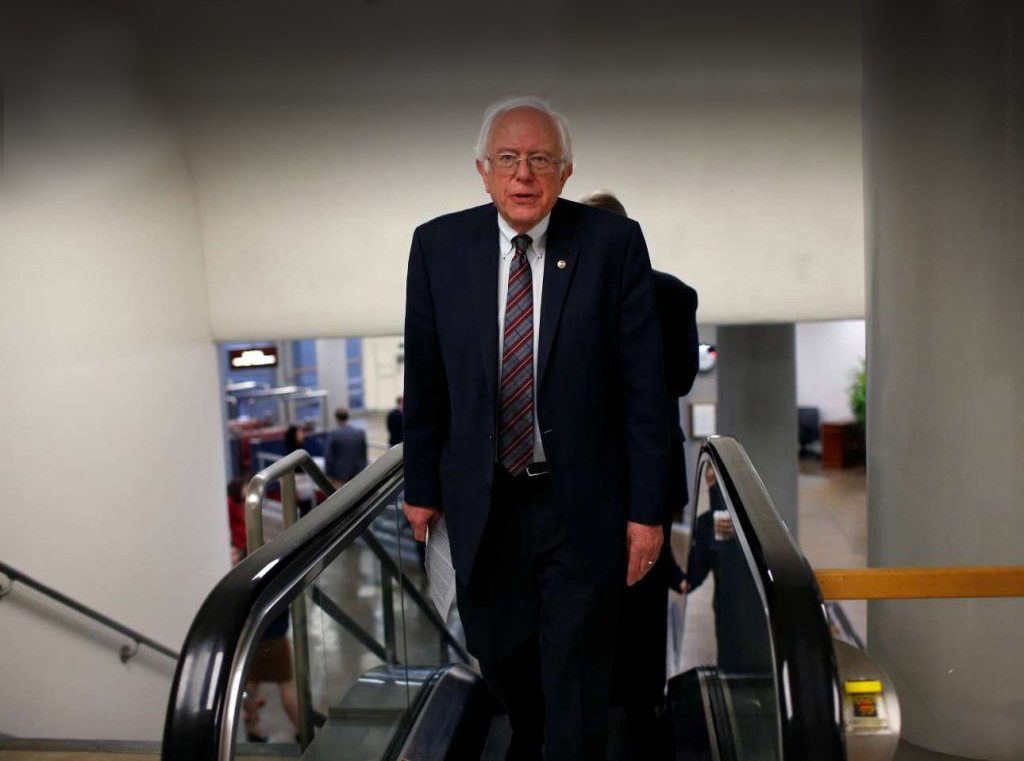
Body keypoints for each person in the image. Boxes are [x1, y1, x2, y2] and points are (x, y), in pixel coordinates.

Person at [402, 97, 669, 761]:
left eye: (541, 160)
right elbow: (427, 379)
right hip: (483, 497)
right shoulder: (438, 246)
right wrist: (420, 486)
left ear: (566, 171)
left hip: (579, 499)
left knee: (578, 665)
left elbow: (645, 389)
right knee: (500, 649)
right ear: (483, 170)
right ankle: (529, 728)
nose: (524, 175)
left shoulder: (611, 245)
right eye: (508, 159)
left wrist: (648, 512)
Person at [581, 191, 698, 760]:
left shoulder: (575, 293)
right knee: (642, 589)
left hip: (599, 471)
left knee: (596, 588)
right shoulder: (671, 293)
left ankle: (606, 700)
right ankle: (643, 703)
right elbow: (681, 380)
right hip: (644, 468)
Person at [322, 408, 367, 487]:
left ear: (336, 419)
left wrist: (329, 475)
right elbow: (364, 455)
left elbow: (328, 457)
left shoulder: (334, 434)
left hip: (340, 477)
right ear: (347, 417)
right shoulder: (359, 432)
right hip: (357, 475)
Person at [283, 424, 317, 517]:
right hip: (299, 487)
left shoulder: (301, 449)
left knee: (308, 511)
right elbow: (290, 474)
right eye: (300, 432)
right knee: (303, 513)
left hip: (306, 487)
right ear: (294, 436)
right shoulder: (292, 453)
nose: (302, 435)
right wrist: (295, 492)